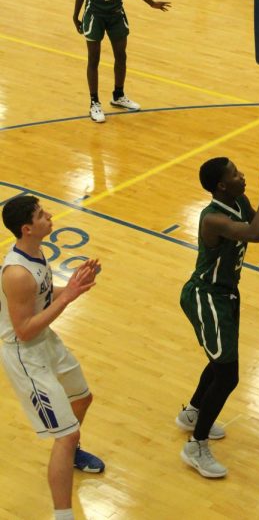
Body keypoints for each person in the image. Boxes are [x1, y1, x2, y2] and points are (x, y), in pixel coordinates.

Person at [178, 159, 259, 478]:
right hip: (207, 295)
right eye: (234, 174)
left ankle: (193, 413)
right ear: (221, 186)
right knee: (228, 374)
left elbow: (257, 225)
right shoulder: (212, 219)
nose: (242, 175)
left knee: (221, 362)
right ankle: (195, 445)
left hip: (227, 294)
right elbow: (254, 234)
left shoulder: (238, 201)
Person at [0, 195, 104, 520]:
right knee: (66, 434)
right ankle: (63, 516)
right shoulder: (16, 274)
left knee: (83, 399)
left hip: (46, 342)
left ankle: (70, 453)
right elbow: (25, 330)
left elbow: (43, 295)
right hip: (26, 356)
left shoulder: (36, 251)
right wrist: (69, 298)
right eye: (41, 214)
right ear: (27, 228)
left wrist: (73, 285)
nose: (49, 216)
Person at [73, 0, 170, 122]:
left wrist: (151, 2)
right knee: (94, 59)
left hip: (116, 14)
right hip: (95, 15)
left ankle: (118, 95)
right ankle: (94, 102)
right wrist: (76, 15)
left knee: (121, 56)